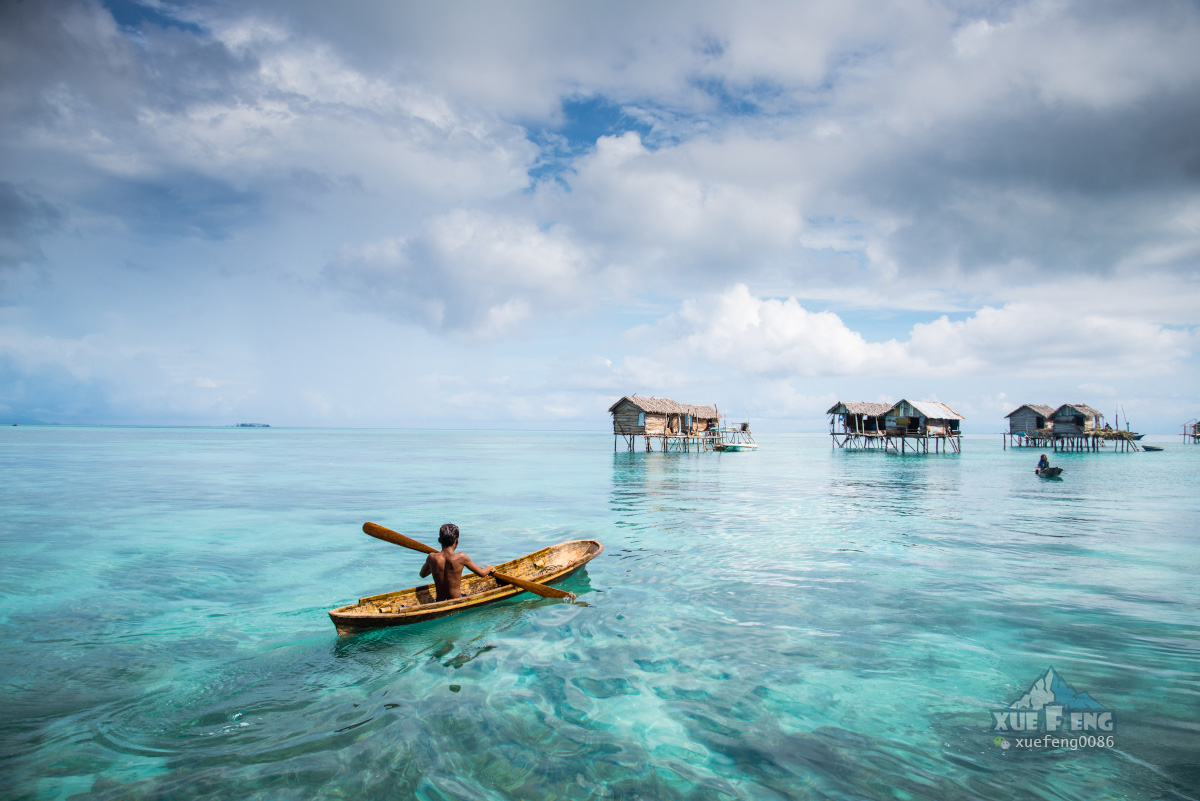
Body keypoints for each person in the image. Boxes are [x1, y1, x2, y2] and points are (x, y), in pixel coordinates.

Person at [420, 523, 495, 601]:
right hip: (457, 600)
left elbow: (422, 574)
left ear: (439, 540)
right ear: (457, 541)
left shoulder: (431, 557)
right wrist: (489, 568)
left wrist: (434, 567)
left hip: (439, 600)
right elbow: (482, 573)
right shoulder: (461, 557)